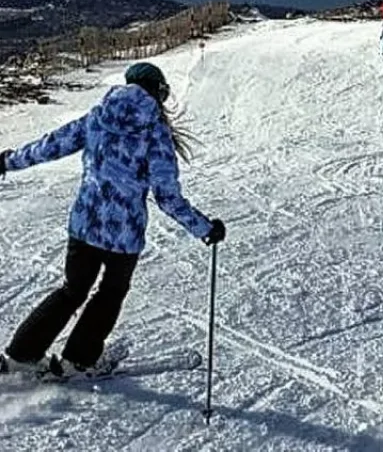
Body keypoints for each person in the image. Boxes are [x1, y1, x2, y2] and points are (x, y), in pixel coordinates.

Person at [0, 62, 225, 377]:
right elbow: (167, 196)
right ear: (158, 92)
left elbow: (52, 145)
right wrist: (205, 228)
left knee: (72, 290)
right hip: (124, 236)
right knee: (110, 293)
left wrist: (9, 161)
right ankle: (78, 361)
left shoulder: (98, 116)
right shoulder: (155, 133)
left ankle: (21, 355)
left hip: (84, 226)